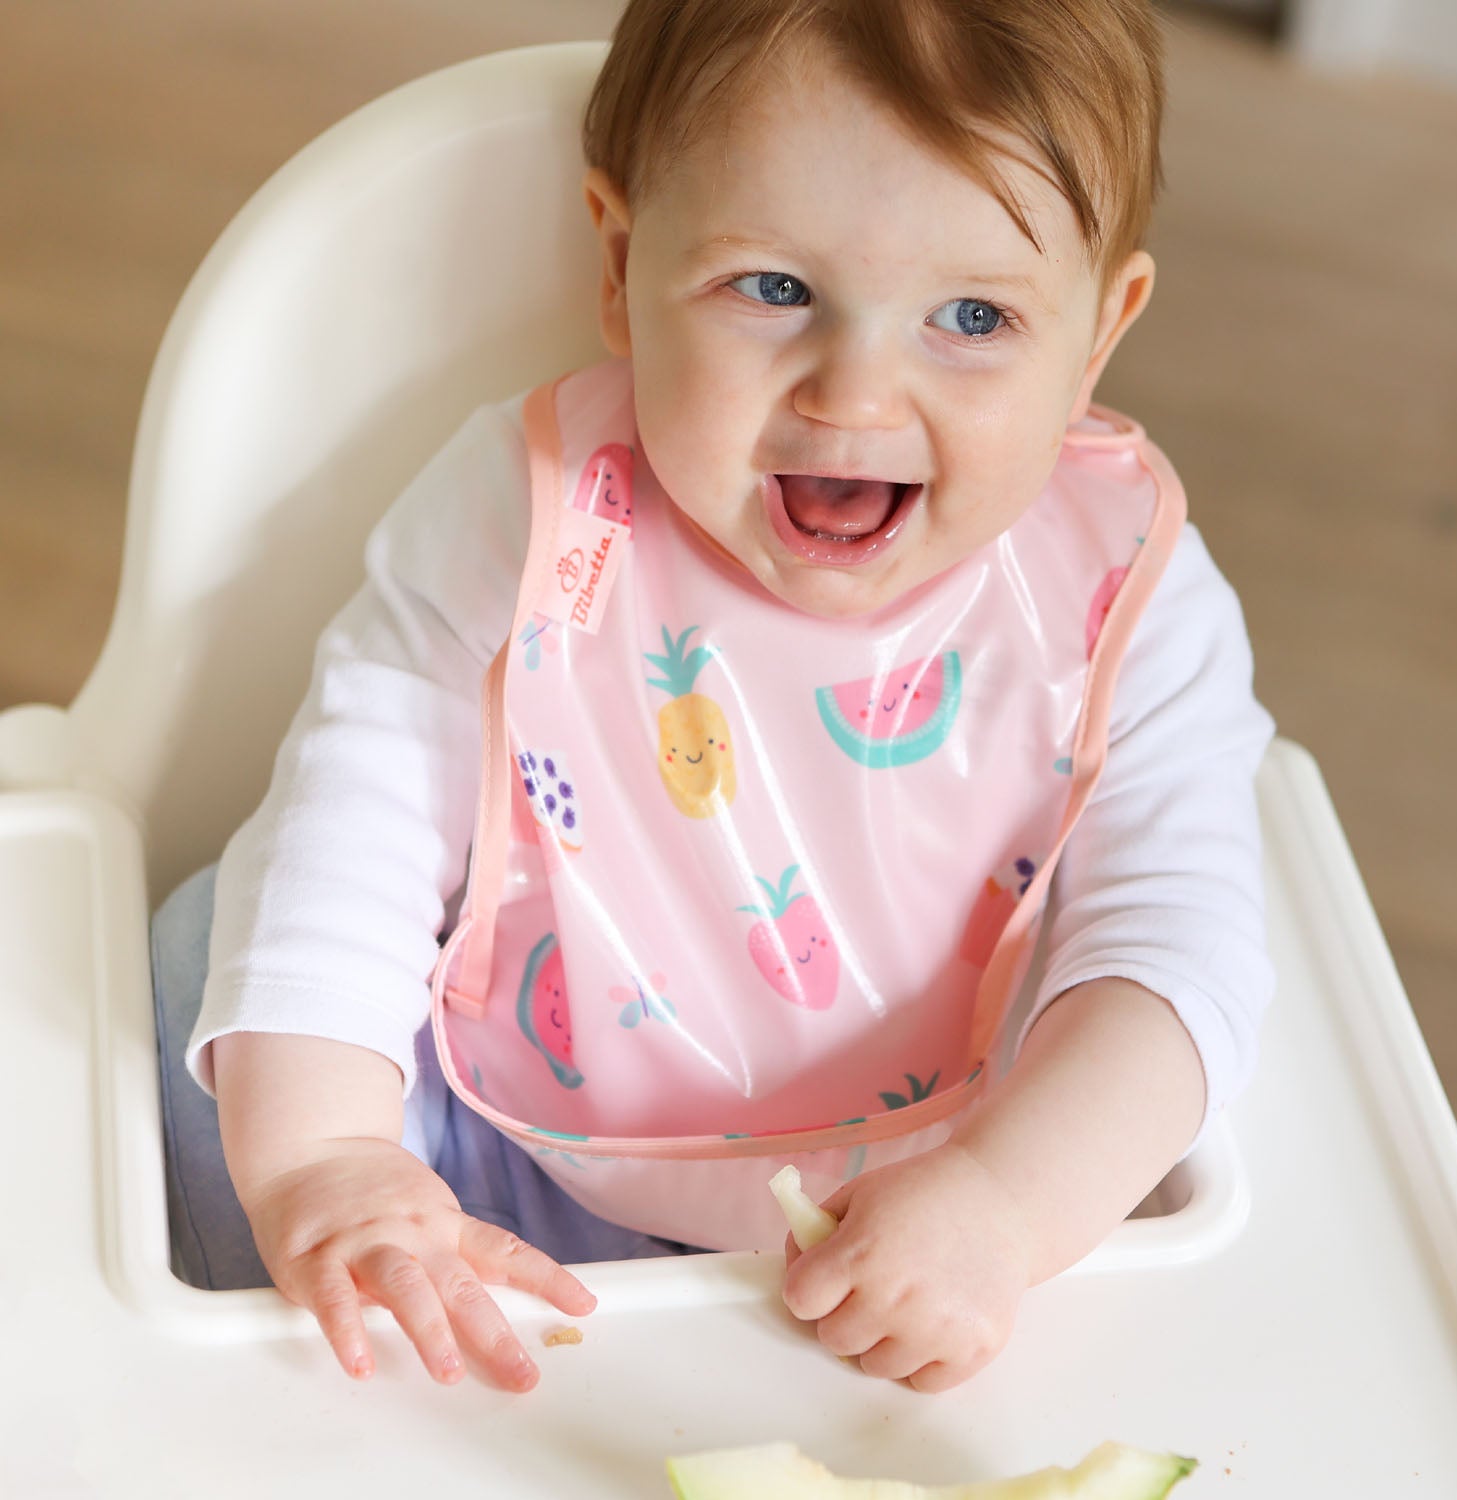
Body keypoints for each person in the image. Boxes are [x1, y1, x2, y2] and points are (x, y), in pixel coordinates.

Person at [154, 0, 1274, 1397]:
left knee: (1154, 1084)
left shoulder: (1121, 597)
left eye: (975, 316)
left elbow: (1178, 949)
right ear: (622, 264)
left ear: (1100, 330)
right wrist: (330, 1155)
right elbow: (355, 810)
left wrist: (1009, 1208)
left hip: (936, 1210)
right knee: (207, 946)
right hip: (488, 1176)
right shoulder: (539, 519)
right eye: (775, 289)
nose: (857, 393)